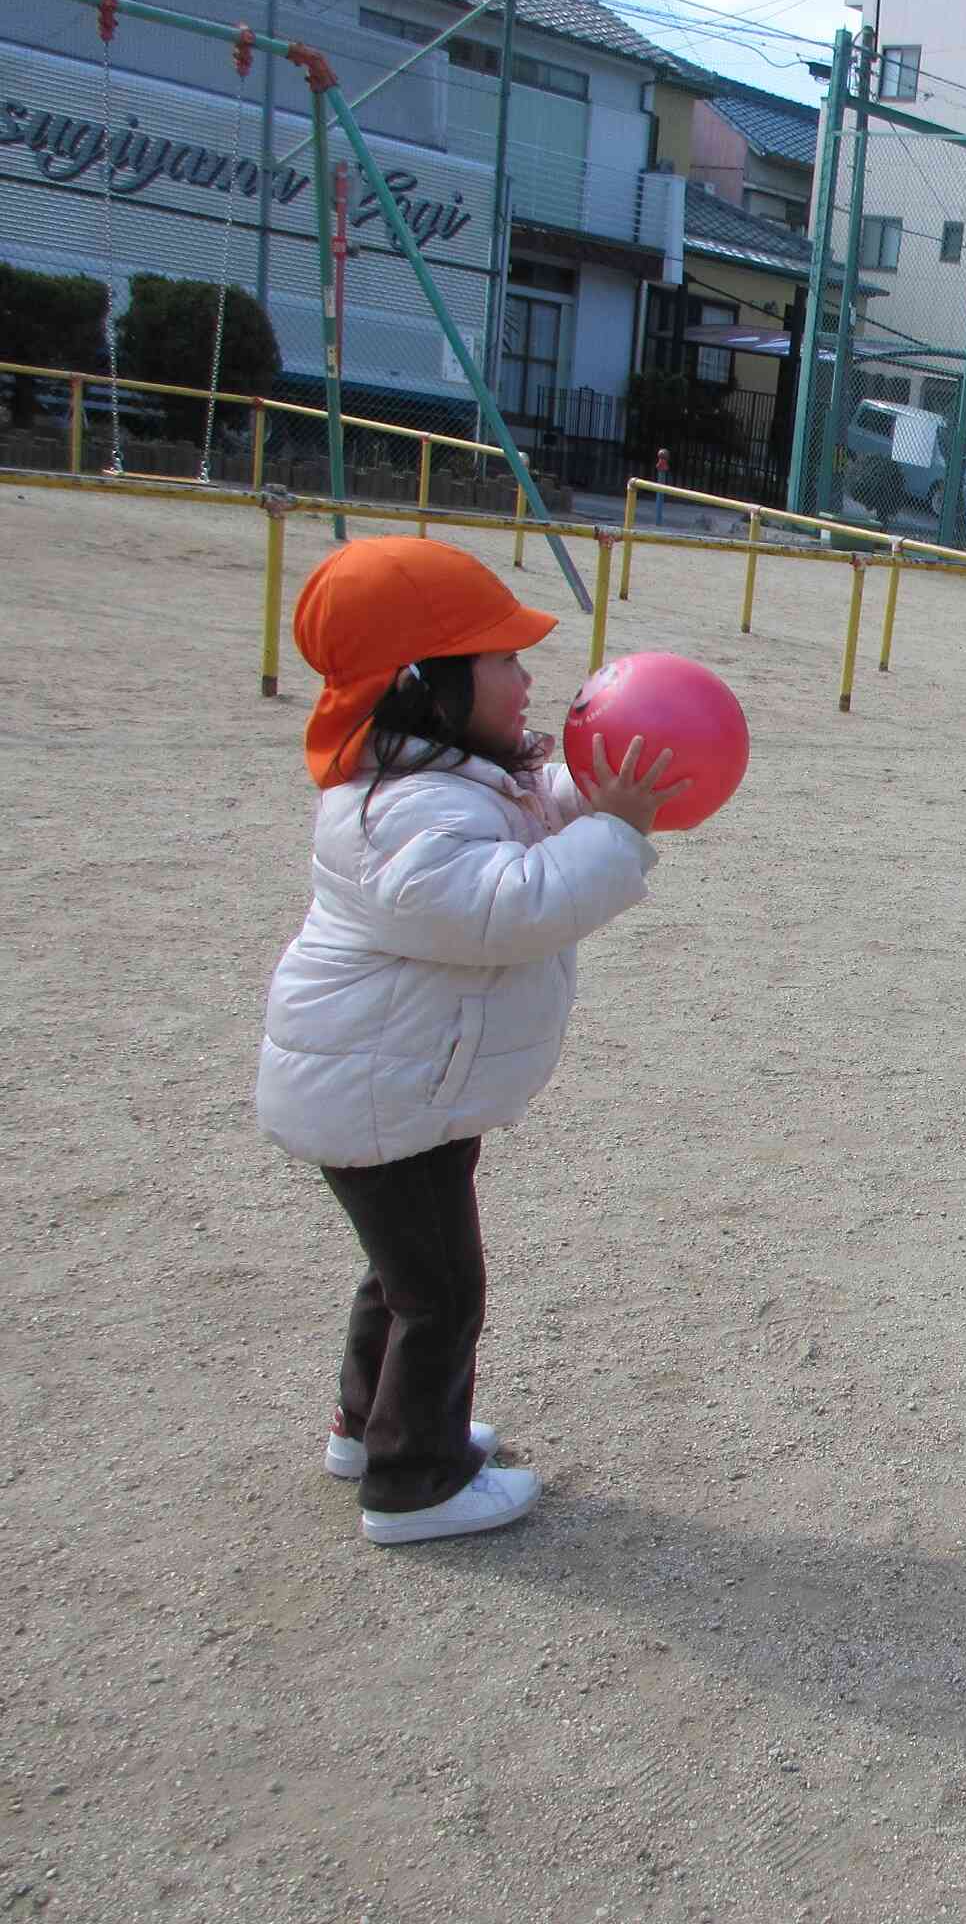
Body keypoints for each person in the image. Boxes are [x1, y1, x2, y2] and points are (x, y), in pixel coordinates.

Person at [256, 538, 689, 1543]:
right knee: (442, 1291)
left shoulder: (446, 778)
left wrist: (600, 794)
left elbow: (534, 818)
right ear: (429, 684)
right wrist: (617, 838)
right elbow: (511, 905)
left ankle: (368, 1429)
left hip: (397, 1090)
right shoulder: (406, 813)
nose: (529, 675)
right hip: (378, 1096)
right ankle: (417, 1483)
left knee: (403, 1275)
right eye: (503, 660)